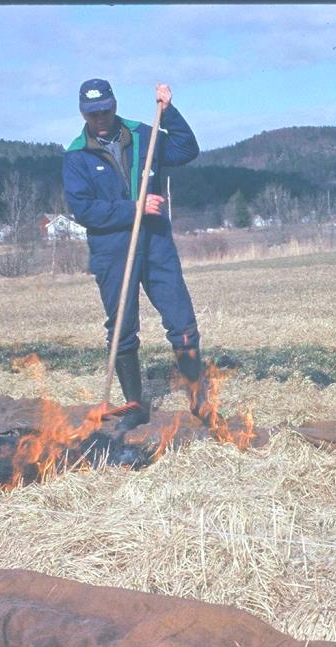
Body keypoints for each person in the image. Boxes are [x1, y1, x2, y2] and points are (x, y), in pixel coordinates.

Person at [63, 78, 208, 431]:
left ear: (114, 105)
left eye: (106, 110)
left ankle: (198, 401)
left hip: (156, 242)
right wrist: (134, 208)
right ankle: (134, 406)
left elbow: (187, 150)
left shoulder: (145, 134)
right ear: (84, 112)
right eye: (93, 112)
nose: (101, 117)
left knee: (181, 319)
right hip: (112, 249)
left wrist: (169, 111)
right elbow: (83, 209)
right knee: (122, 327)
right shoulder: (76, 154)